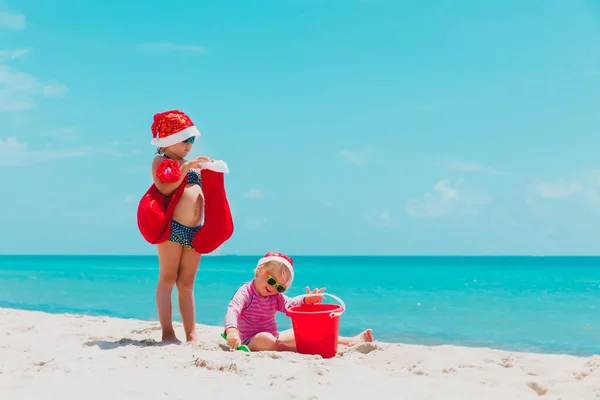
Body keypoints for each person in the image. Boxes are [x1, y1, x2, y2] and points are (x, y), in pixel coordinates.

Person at [136, 110, 234, 343]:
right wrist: (186, 168)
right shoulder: (162, 161)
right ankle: (168, 332)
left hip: (195, 232)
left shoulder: (190, 165)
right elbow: (165, 188)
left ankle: (191, 334)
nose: (190, 145)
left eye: (192, 140)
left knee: (187, 284)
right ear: (170, 140)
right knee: (168, 278)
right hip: (173, 229)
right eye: (185, 140)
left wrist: (209, 170)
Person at [223, 252, 374, 352]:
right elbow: (233, 310)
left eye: (280, 287)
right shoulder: (246, 293)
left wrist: (306, 301)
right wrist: (231, 332)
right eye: (271, 280)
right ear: (258, 271)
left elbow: (290, 304)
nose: (273, 288)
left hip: (275, 337)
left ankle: (349, 341)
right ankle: (293, 350)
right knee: (264, 338)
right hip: (250, 340)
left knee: (304, 333)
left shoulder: (274, 297)